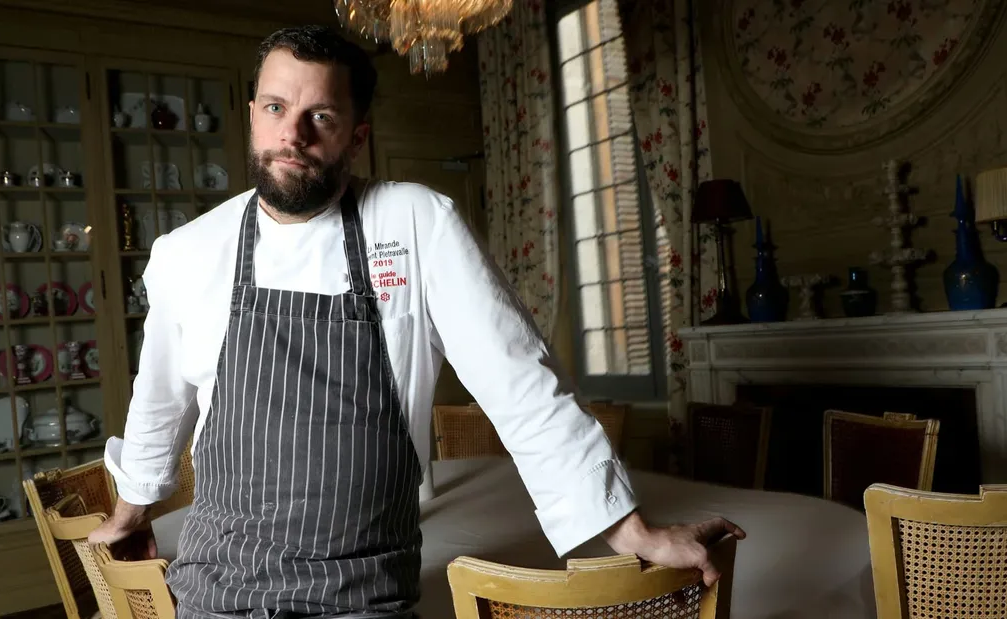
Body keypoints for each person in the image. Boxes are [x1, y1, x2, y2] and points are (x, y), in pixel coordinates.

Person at [89, 24, 744, 619]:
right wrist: (131, 508)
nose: (293, 135)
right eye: (276, 108)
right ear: (253, 113)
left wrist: (631, 529)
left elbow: (522, 384)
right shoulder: (188, 252)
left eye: (321, 114)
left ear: (358, 135)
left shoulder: (415, 223)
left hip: (365, 596)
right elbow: (158, 403)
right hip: (217, 594)